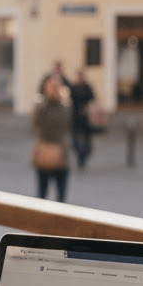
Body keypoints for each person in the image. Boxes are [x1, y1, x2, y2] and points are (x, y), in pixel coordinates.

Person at [31, 74, 71, 202]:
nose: (55, 88)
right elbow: (36, 124)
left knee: (61, 195)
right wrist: (49, 100)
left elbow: (67, 123)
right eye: (51, 86)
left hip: (61, 153)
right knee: (42, 193)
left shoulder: (65, 105)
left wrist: (62, 101)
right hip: (44, 150)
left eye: (57, 85)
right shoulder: (40, 104)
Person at [66, 68, 95, 170]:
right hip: (75, 117)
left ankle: (83, 158)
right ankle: (79, 158)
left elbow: (93, 98)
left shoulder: (88, 87)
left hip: (86, 118)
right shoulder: (73, 87)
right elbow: (68, 97)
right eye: (79, 75)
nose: (80, 77)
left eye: (82, 75)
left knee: (88, 144)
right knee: (75, 142)